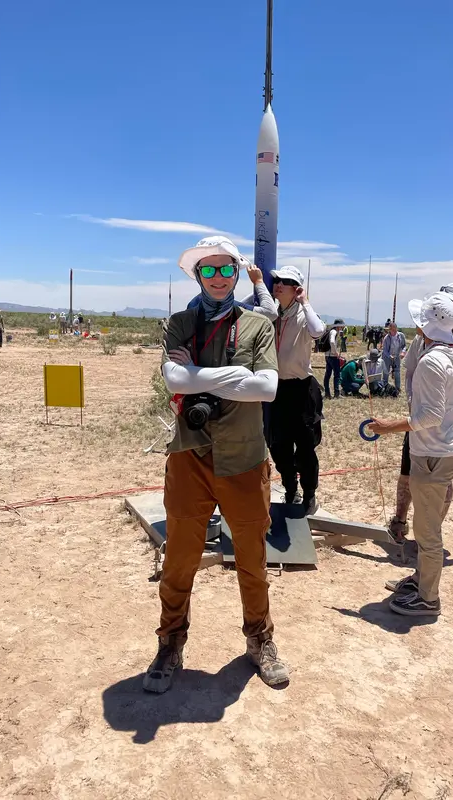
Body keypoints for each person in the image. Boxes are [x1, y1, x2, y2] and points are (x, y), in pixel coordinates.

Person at [143, 235, 288, 694]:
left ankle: (259, 638)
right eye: (210, 270)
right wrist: (234, 378)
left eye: (228, 269)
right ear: (196, 274)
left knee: (251, 557)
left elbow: (267, 388)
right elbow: (172, 378)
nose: (220, 277)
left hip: (244, 455)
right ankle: (170, 642)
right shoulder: (180, 323)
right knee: (181, 556)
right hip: (190, 454)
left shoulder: (258, 326)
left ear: (237, 272)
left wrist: (199, 377)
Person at [368, 292, 453, 616]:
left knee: (427, 533)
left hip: (433, 453)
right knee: (427, 527)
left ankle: (428, 598)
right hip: (443, 449)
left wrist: (387, 426)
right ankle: (421, 580)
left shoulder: (430, 362)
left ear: (425, 326)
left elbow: (430, 416)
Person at [388, 282, 453, 540]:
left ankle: (430, 533)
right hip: (418, 419)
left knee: (440, 481)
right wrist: (412, 399)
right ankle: (400, 520)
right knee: (408, 471)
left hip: (449, 424)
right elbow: (410, 369)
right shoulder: (424, 336)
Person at [268, 265, 325, 514]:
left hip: (302, 390)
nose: (278, 284)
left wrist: (305, 302)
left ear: (297, 288)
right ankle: (291, 489)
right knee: (278, 446)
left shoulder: (304, 315)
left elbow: (318, 331)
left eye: (286, 281)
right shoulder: (272, 314)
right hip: (276, 390)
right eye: (277, 280)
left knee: (304, 449)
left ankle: (309, 494)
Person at [324, 318, 345, 399]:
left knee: (328, 374)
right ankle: (336, 393)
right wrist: (335, 352)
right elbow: (332, 342)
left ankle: (327, 393)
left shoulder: (330, 331)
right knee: (337, 375)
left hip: (327, 355)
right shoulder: (334, 332)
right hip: (332, 356)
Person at [382, 323, 406, 393]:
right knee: (386, 372)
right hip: (387, 357)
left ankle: (397, 388)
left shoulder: (401, 335)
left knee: (397, 372)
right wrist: (389, 356)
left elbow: (404, 346)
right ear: (390, 329)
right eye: (392, 329)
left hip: (397, 357)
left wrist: (403, 352)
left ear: (396, 328)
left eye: (394, 329)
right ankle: (385, 387)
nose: (393, 331)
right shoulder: (387, 337)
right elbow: (385, 350)